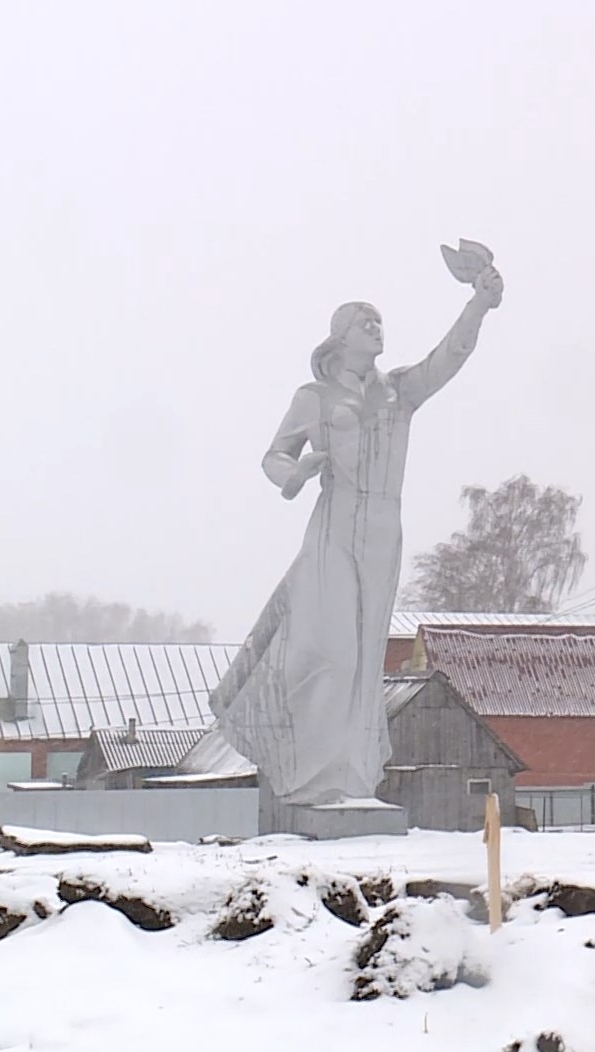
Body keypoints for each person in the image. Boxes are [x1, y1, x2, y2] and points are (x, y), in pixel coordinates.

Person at [207, 257, 505, 806]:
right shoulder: (313, 398)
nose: (376, 325)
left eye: (379, 319)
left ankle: (351, 779)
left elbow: (449, 358)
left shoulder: (398, 392)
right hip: (336, 521)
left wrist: (478, 304)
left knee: (366, 662)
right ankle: (310, 776)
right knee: (331, 650)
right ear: (340, 336)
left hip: (384, 527)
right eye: (364, 320)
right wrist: (293, 474)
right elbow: (275, 455)